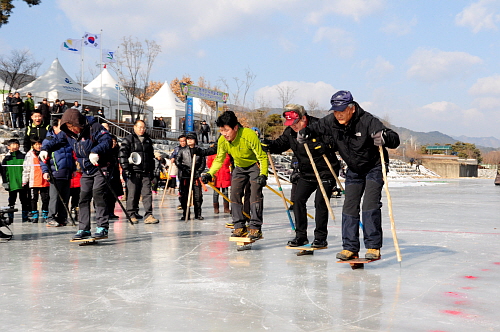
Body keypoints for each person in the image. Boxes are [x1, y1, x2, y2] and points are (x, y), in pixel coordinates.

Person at [299, 90, 400, 260]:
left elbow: (394, 139)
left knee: (369, 204)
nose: (338, 115)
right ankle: (350, 247)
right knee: (349, 207)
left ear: (352, 108)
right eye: (336, 111)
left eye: (342, 110)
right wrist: (306, 132)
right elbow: (315, 128)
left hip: (374, 167)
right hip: (354, 168)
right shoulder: (332, 121)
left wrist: (384, 137)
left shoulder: (368, 121)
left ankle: (373, 246)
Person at [262, 104, 340, 248]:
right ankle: (301, 236)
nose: (294, 127)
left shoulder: (319, 125)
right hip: (307, 172)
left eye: (296, 123)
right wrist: (269, 145)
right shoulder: (290, 132)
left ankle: (320, 238)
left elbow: (335, 141)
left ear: (304, 118)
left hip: (325, 171)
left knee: (320, 203)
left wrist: (322, 146)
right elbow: (280, 144)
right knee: (297, 201)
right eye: (290, 124)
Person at [40, 108, 113, 240]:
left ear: (79, 122)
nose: (72, 129)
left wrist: (96, 151)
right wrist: (45, 149)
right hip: (86, 169)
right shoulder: (68, 133)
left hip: (101, 166)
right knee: (83, 197)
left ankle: (102, 227)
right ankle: (83, 229)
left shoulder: (94, 127)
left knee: (98, 194)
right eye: (68, 127)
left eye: (73, 126)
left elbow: (107, 140)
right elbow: (56, 141)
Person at [201, 111, 268, 240]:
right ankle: (239, 225)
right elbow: (219, 159)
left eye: (226, 130)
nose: (224, 134)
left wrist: (263, 174)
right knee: (234, 194)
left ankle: (255, 227)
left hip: (254, 165)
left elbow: (262, 156)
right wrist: (210, 173)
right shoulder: (222, 140)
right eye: (221, 130)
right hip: (239, 167)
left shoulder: (248, 135)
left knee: (255, 194)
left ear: (235, 127)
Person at [119, 119, 159, 224]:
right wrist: (126, 169)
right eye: (140, 127)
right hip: (133, 171)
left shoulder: (147, 140)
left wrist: (152, 171)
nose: (142, 129)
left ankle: (149, 214)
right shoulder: (128, 139)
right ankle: (131, 214)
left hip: (145, 171)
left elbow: (151, 156)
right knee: (132, 194)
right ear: (135, 127)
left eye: (144, 127)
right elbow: (122, 155)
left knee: (147, 193)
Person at [41, 118, 75, 227]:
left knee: (65, 197)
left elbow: (71, 155)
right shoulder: (49, 139)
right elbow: (42, 158)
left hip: (67, 171)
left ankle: (62, 217)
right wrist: (45, 171)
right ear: (55, 127)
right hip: (55, 171)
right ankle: (51, 217)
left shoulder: (67, 139)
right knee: (55, 197)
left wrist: (73, 168)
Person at [176, 133, 205, 220]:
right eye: (188, 139)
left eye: (191, 139)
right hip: (185, 176)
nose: (189, 141)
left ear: (195, 140)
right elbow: (178, 161)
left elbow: (203, 164)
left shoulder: (200, 151)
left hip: (195, 177)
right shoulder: (182, 151)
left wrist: (198, 171)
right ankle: (186, 213)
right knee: (184, 196)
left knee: (198, 196)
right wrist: (184, 168)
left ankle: (198, 214)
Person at [1, 139, 30, 223]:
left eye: (17, 144)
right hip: (12, 183)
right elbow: (4, 172)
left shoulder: (24, 157)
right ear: (8, 147)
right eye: (13, 145)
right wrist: (5, 182)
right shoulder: (6, 159)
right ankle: (10, 218)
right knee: (11, 200)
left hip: (23, 183)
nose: (15, 146)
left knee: (24, 200)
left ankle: (25, 217)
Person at [23, 139, 50, 223]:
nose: (38, 146)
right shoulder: (29, 155)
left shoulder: (45, 153)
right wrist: (25, 180)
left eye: (39, 144)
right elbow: (26, 168)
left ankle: (45, 214)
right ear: (33, 145)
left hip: (45, 181)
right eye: (36, 144)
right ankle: (35, 215)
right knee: (33, 199)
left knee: (45, 199)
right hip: (34, 180)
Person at [106, 135, 123, 219]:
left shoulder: (117, 151)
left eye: (115, 142)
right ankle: (105, 212)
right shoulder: (106, 151)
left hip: (115, 174)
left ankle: (111, 211)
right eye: (112, 142)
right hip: (107, 174)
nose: (114, 144)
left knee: (114, 194)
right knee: (106, 194)